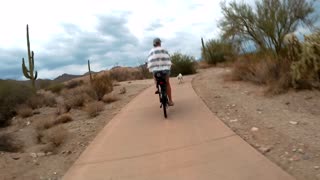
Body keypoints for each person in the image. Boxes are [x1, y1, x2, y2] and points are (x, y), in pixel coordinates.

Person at [147, 38, 174, 106]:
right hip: (165, 70)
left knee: (154, 73)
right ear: (160, 43)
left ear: (154, 44)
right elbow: (168, 59)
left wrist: (151, 67)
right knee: (167, 83)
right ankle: (170, 101)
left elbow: (150, 61)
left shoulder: (151, 51)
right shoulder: (164, 49)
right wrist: (170, 63)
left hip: (156, 71)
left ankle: (157, 86)